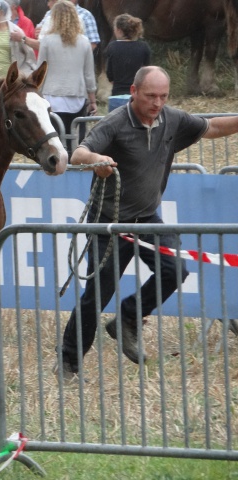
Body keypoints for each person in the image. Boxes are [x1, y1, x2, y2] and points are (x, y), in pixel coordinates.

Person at [57, 65, 238, 383]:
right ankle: (68, 364)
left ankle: (128, 316)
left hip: (148, 218)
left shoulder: (172, 119)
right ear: (135, 92)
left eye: (163, 96)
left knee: (175, 270)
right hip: (110, 223)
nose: (157, 103)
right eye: (151, 96)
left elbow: (210, 128)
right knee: (97, 295)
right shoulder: (115, 122)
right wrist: (96, 161)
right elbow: (79, 153)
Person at [37, 0, 97, 137]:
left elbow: (40, 72)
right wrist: (93, 100)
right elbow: (89, 74)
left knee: (55, 137)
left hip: (52, 96)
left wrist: (37, 94)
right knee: (76, 137)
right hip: (77, 96)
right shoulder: (84, 42)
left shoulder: (46, 41)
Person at [105, 13, 151, 111]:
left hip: (117, 95)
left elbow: (110, 75)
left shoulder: (112, 47)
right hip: (138, 95)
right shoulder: (144, 47)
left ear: (119, 30)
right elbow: (147, 72)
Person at [33, 0, 99, 51]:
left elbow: (92, 43)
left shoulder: (86, 15)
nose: (48, 4)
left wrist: (78, 57)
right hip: (52, 60)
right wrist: (37, 33)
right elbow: (39, 36)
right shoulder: (49, 13)